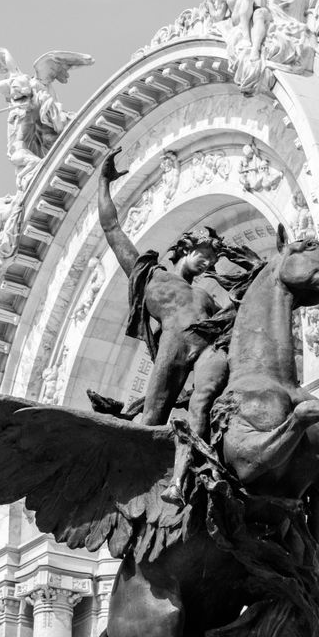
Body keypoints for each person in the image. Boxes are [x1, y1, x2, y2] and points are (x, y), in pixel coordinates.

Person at [99, 147, 261, 504]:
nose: (208, 263)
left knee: (204, 402)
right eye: (203, 254)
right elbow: (112, 230)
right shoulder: (153, 278)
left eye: (214, 259)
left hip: (206, 352)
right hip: (172, 350)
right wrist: (103, 184)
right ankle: (133, 494)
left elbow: (241, 319)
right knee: (149, 427)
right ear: (184, 250)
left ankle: (197, 469)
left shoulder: (206, 299)